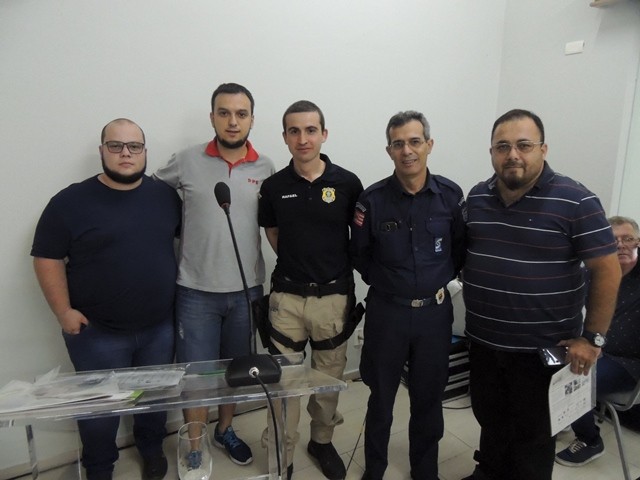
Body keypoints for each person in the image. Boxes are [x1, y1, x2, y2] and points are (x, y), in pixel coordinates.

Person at [462, 109, 622, 480]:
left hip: (543, 352)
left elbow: (607, 270)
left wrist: (592, 339)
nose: (513, 155)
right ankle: (489, 472)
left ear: (543, 149)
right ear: (491, 152)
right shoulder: (477, 197)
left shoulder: (576, 201)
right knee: (490, 419)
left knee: (533, 436)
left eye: (524, 145)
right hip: (485, 343)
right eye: (503, 146)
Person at [31, 118, 181, 480]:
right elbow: (47, 257)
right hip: (97, 334)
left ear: (145, 152)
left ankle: (151, 450)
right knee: (99, 414)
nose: (125, 153)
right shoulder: (69, 202)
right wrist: (63, 312)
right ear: (102, 151)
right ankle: (99, 468)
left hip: (158, 327)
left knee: (153, 401)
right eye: (116, 146)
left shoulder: (165, 197)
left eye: (134, 146)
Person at [154, 83, 274, 466]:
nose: (232, 121)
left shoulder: (266, 167)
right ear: (212, 118)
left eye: (241, 114)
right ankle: (194, 444)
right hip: (195, 292)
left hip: (246, 291)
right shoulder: (185, 160)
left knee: (236, 371)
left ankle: (225, 430)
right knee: (197, 376)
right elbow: (150, 197)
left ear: (252, 119)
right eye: (224, 113)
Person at [350, 110, 466, 480]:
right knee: (381, 397)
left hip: (434, 315)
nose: (407, 151)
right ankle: (375, 468)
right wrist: (394, 287)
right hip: (388, 314)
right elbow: (360, 256)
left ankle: (425, 470)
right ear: (389, 150)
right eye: (398, 144)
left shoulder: (450, 196)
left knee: (428, 398)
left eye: (415, 142)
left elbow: (459, 250)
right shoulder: (372, 201)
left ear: (429, 145)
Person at [258, 100, 363, 479]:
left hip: (334, 299)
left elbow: (357, 235)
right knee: (283, 385)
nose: (303, 139)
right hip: (286, 299)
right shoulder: (273, 187)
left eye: (310, 130)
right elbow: (273, 233)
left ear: (324, 134)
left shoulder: (348, 183)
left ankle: (321, 441)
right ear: (285, 137)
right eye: (294, 131)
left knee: (327, 380)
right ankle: (281, 457)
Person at [555, 215, 640, 467]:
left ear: (638, 242)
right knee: (543, 363)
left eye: (628, 239)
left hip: (628, 361)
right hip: (593, 346)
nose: (621, 245)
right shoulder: (593, 273)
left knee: (575, 380)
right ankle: (563, 415)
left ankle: (590, 440)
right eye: (613, 240)